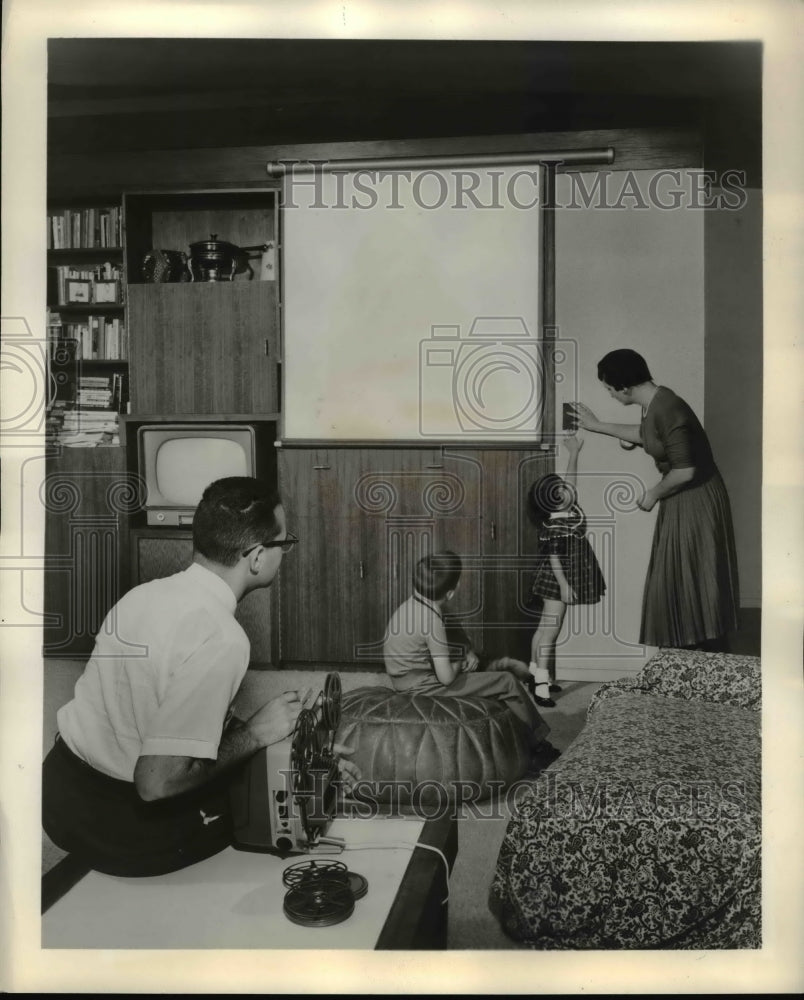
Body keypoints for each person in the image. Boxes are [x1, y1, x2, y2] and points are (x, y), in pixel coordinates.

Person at [42, 476, 357, 877]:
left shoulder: (143, 595)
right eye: (284, 543)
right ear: (257, 557)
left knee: (236, 764)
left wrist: (293, 746)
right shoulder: (223, 639)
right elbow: (156, 784)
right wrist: (256, 735)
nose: (285, 552)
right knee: (257, 809)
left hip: (59, 791)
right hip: (119, 825)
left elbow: (165, 710)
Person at [571, 348, 739, 650]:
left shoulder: (667, 407)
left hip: (696, 498)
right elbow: (648, 433)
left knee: (696, 584)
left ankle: (707, 669)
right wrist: (597, 426)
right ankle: (686, 668)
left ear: (625, 387)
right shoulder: (655, 401)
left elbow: (685, 470)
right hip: (682, 498)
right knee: (678, 582)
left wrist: (652, 494)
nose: (610, 395)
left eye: (610, 389)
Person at [383, 550, 560, 768]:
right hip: (421, 688)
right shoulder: (431, 620)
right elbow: (447, 678)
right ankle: (538, 745)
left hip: (405, 678)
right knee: (506, 681)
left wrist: (466, 651)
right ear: (450, 592)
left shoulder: (414, 604)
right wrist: (461, 664)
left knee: (484, 662)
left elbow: (449, 627)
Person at [526, 434, 606, 706]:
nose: (569, 490)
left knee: (543, 627)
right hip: (556, 577)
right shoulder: (558, 525)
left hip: (559, 575)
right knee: (551, 629)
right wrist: (563, 585)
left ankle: (534, 671)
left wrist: (574, 453)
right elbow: (556, 559)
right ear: (555, 500)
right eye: (562, 491)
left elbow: (571, 481)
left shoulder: (566, 512)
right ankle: (540, 686)